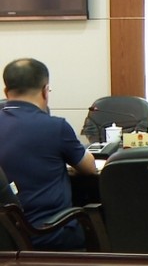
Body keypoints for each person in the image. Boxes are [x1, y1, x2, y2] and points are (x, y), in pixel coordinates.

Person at [0, 58, 97, 249]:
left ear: (5, 91)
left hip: (6, 236)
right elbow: (90, 168)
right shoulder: (55, 127)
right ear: (45, 91)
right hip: (49, 233)